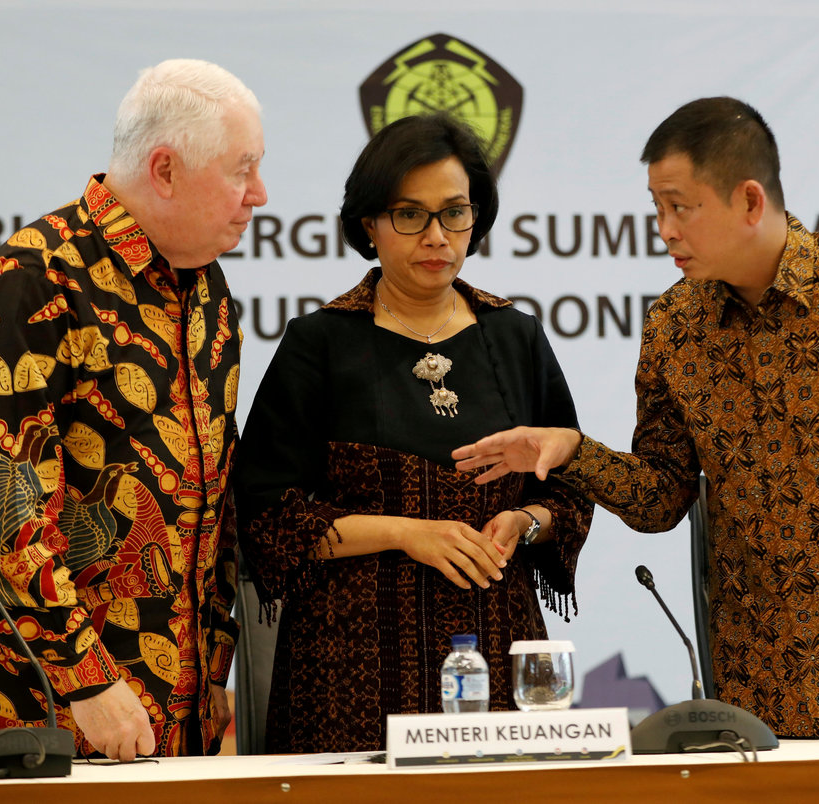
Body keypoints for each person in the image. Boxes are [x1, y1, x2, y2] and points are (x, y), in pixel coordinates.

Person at [453, 97, 819, 737]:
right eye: (656, 208)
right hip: (765, 689)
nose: (665, 230)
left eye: (680, 207)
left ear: (750, 200)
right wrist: (573, 451)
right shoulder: (674, 326)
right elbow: (661, 498)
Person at [0, 58, 268, 761]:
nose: (259, 195)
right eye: (242, 170)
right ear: (165, 170)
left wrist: (215, 663)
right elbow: (0, 506)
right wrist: (84, 676)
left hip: (175, 707)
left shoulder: (206, 287)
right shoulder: (34, 278)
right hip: (34, 702)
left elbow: (213, 491)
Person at [233, 113, 593, 753]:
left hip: (498, 658)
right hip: (347, 677)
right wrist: (406, 533)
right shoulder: (319, 343)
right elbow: (267, 516)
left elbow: (570, 490)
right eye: (409, 215)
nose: (436, 236)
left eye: (454, 213)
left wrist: (525, 522)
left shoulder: (516, 337)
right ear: (368, 223)